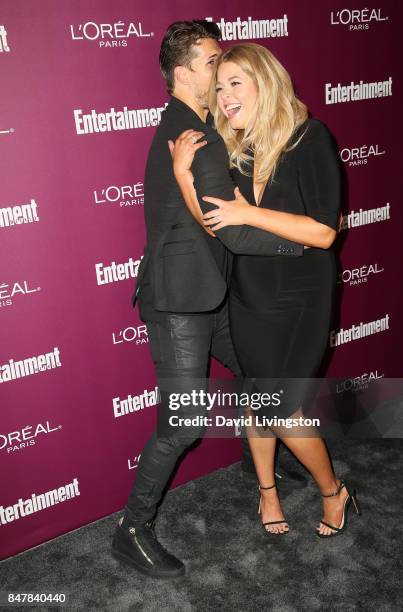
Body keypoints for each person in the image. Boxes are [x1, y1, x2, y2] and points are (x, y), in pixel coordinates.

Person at [112, 23, 304, 579]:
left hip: (210, 290)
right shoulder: (193, 134)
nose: (220, 69)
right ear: (183, 74)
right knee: (183, 422)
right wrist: (305, 241)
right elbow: (230, 226)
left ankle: (255, 457)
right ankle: (132, 529)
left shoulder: (195, 126)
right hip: (181, 300)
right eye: (212, 60)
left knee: (257, 373)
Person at [171, 43, 361, 538]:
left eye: (236, 83)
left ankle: (331, 490)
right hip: (249, 293)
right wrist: (182, 178)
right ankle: (267, 492)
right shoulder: (236, 148)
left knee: (281, 405)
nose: (224, 96)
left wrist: (248, 212)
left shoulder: (308, 138)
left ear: (266, 83)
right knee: (257, 398)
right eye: (219, 87)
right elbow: (218, 225)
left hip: (302, 298)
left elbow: (323, 232)